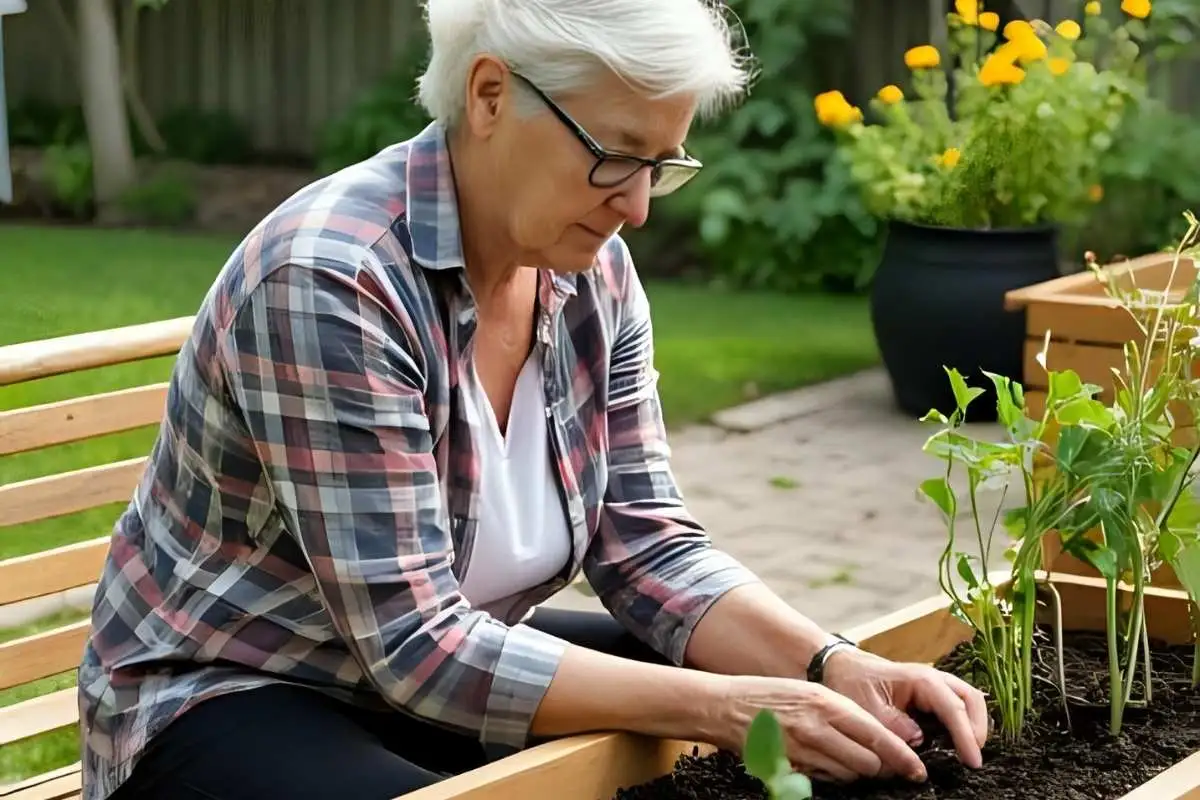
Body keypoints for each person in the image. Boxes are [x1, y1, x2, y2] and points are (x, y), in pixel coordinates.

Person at [78, 1, 989, 798]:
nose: (637, 206)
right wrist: (734, 704)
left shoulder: (591, 274)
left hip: (429, 667)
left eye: (662, 166)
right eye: (616, 155)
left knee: (811, 721)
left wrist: (833, 664)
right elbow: (416, 644)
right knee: (725, 716)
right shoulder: (333, 281)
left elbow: (644, 541)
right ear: (488, 97)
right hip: (232, 692)